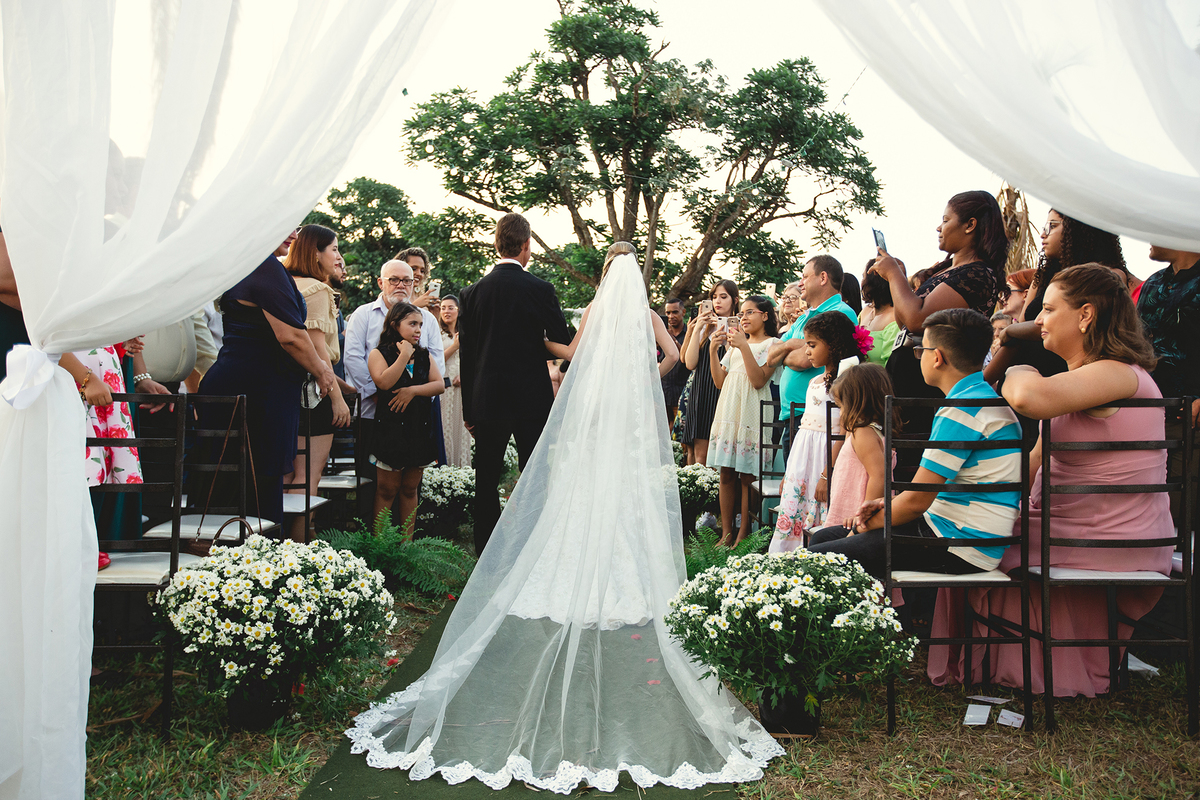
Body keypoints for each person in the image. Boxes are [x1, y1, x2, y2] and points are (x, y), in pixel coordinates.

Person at [347, 246, 782, 792]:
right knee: (625, 494)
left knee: (581, 490)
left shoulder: (595, 309)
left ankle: (568, 562)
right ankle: (627, 570)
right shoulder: (647, 316)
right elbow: (677, 361)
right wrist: (643, 380)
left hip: (596, 416)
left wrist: (573, 367)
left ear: (605, 274)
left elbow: (570, 352)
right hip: (626, 421)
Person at [932, 266, 1172, 697]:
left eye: (1047, 309)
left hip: (1110, 536)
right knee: (971, 527)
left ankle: (993, 658)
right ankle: (1012, 659)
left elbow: (1025, 397)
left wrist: (1018, 368)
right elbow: (1029, 470)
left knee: (971, 538)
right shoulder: (1081, 385)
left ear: (1085, 315)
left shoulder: (1118, 373)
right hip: (1084, 527)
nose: (1039, 320)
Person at [808, 309, 1021, 582]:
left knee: (819, 558)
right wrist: (884, 507)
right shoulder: (977, 398)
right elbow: (921, 496)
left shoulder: (963, 408)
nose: (918, 356)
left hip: (959, 544)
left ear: (937, 357)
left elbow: (916, 502)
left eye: (921, 350)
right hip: (951, 530)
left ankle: (864, 623)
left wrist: (864, 525)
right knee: (826, 538)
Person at [198, 231, 335, 524]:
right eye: (287, 224)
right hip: (252, 394)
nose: (295, 234)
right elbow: (291, 337)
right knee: (248, 488)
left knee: (254, 484)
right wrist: (322, 372)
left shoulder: (255, 264)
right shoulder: (262, 266)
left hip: (256, 389)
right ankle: (248, 563)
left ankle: (251, 562)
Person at [459, 213, 571, 554]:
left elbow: (468, 356)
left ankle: (486, 553)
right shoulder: (541, 289)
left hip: (488, 400)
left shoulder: (471, 293)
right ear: (526, 245)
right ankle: (534, 548)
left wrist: (469, 409)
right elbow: (561, 339)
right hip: (531, 398)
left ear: (497, 244)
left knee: (487, 478)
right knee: (535, 475)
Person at [868, 191, 1009, 454]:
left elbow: (917, 319)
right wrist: (895, 279)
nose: (938, 227)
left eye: (945, 220)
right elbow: (904, 321)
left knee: (915, 462)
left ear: (970, 225)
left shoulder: (976, 273)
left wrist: (895, 275)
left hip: (932, 380)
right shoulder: (948, 270)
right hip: (911, 373)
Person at [344, 259, 446, 513]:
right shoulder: (364, 315)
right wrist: (380, 394)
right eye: (394, 280)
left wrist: (414, 396)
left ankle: (405, 545)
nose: (401, 285)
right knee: (375, 485)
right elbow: (353, 358)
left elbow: (437, 363)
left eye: (407, 280)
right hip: (372, 412)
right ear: (381, 282)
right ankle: (374, 545)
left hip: (414, 415)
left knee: (409, 486)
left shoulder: (428, 320)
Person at [986, 210, 1126, 385]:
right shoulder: (1042, 275)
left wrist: (1012, 330)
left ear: (1078, 230)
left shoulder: (1110, 277)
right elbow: (1018, 336)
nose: (1043, 234)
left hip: (1064, 379)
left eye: (1052, 226)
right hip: (1022, 375)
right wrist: (984, 383)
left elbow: (1071, 324)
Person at [768, 311, 866, 553]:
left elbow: (844, 433)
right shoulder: (815, 382)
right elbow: (804, 434)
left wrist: (826, 474)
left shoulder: (846, 381)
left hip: (826, 459)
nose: (807, 351)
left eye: (812, 345)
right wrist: (789, 473)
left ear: (833, 345)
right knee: (794, 511)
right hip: (803, 460)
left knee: (818, 511)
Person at [282, 224, 352, 540]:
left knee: (287, 476)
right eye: (334, 249)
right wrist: (337, 396)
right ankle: (302, 546)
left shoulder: (285, 283)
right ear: (316, 252)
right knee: (309, 476)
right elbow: (318, 348)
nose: (338, 256)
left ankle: (281, 543)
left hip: (286, 387)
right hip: (313, 392)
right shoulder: (317, 289)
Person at [766, 256, 858, 461]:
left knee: (809, 484)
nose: (800, 283)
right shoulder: (805, 316)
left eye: (805, 276)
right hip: (794, 413)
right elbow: (770, 357)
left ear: (823, 277)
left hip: (817, 415)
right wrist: (791, 345)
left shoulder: (840, 312)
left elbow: (804, 361)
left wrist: (786, 346)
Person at [705, 296, 779, 546]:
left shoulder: (773, 344)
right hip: (729, 410)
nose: (744, 318)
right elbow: (719, 382)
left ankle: (743, 532)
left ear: (765, 315)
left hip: (753, 410)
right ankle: (726, 532)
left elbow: (758, 380)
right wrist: (714, 352)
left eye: (750, 313)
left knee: (748, 474)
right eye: (742, 313)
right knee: (726, 473)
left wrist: (744, 347)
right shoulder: (735, 346)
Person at [1138, 243, 1200, 538]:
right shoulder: (1153, 283)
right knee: (1152, 515)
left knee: (1182, 515)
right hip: (1148, 416)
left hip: (1190, 420)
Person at [368, 302, 444, 536]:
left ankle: (406, 545)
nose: (418, 329)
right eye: (412, 324)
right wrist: (403, 357)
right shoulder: (378, 353)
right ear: (394, 324)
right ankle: (380, 545)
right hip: (391, 431)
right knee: (387, 489)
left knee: (410, 488)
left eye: (420, 324)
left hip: (418, 429)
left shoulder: (424, 355)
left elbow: (439, 385)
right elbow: (383, 382)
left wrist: (413, 391)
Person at [816, 363, 898, 548]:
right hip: (851, 513)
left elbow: (878, 476)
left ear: (857, 403)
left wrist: (863, 519)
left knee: (822, 546)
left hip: (857, 515)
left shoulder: (863, 433)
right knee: (821, 539)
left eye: (841, 406)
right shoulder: (871, 430)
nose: (841, 412)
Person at [679, 279, 739, 466]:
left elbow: (735, 360)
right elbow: (690, 363)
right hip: (701, 391)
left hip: (724, 392)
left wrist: (727, 331)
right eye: (714, 297)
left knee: (720, 458)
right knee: (699, 455)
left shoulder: (739, 327)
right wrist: (697, 328)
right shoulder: (704, 327)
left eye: (723, 297)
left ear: (734, 300)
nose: (718, 302)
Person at [396, 245, 447, 463]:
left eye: (422, 270)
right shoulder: (396, 300)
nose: (418, 273)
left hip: (426, 386)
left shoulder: (428, 305)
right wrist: (415, 306)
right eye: (413, 268)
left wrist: (434, 317)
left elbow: (434, 349)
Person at [438, 295, 471, 468]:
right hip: (444, 385)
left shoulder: (467, 331)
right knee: (445, 426)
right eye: (443, 308)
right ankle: (444, 467)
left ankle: (461, 469)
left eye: (450, 307)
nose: (446, 311)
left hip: (463, 387)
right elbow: (435, 361)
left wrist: (466, 376)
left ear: (458, 310)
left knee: (461, 428)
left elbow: (474, 358)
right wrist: (454, 346)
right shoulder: (438, 333)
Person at [858, 261, 898, 366]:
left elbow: (891, 365)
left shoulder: (894, 318)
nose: (861, 282)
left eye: (863, 277)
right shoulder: (864, 312)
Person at [660, 297, 690, 423]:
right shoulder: (660, 334)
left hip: (681, 392)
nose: (671, 316)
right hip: (662, 393)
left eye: (675, 312)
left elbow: (688, 358)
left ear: (683, 312)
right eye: (668, 313)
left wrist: (672, 340)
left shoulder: (690, 333)